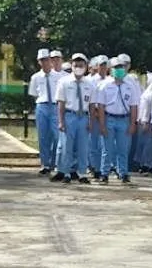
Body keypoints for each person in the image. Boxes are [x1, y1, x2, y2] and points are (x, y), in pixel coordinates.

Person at [95, 56, 139, 184]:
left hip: (124, 119)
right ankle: (104, 173)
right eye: (116, 67)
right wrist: (102, 124)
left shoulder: (130, 86)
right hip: (109, 118)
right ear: (110, 69)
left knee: (123, 149)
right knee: (107, 149)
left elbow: (134, 106)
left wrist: (133, 123)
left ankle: (123, 173)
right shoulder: (104, 85)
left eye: (121, 67)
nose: (119, 69)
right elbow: (101, 106)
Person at [53, 54, 95, 184]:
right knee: (67, 146)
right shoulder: (64, 82)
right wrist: (61, 121)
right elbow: (61, 103)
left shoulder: (90, 83)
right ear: (71, 66)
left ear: (86, 67)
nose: (78, 68)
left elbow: (92, 104)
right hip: (69, 115)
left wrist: (91, 121)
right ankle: (66, 172)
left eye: (81, 65)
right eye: (76, 65)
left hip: (83, 117)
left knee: (83, 147)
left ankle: (82, 173)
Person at [28, 49, 63, 175]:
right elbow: (34, 94)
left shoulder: (59, 76)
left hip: (55, 106)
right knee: (43, 136)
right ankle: (45, 164)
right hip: (42, 106)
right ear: (39, 62)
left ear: (50, 60)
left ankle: (57, 162)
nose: (45, 62)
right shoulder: (35, 77)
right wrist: (42, 103)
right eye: (42, 60)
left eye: (47, 60)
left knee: (57, 136)